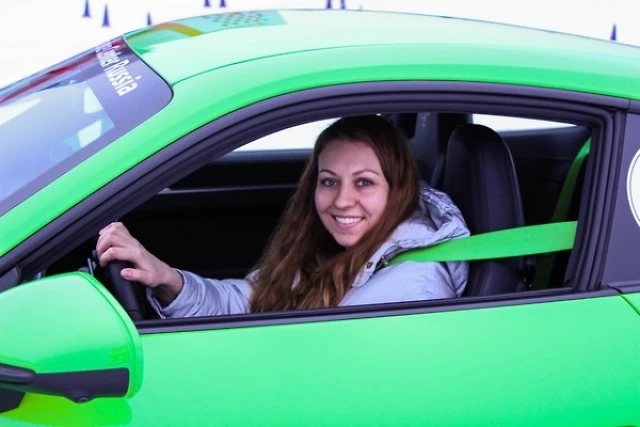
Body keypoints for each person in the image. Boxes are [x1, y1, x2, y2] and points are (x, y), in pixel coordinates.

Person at [96, 115, 470, 318]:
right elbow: (249, 304)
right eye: (329, 181)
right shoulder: (328, 251)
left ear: (397, 189)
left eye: (364, 183)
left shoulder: (415, 288)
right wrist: (168, 280)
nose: (342, 201)